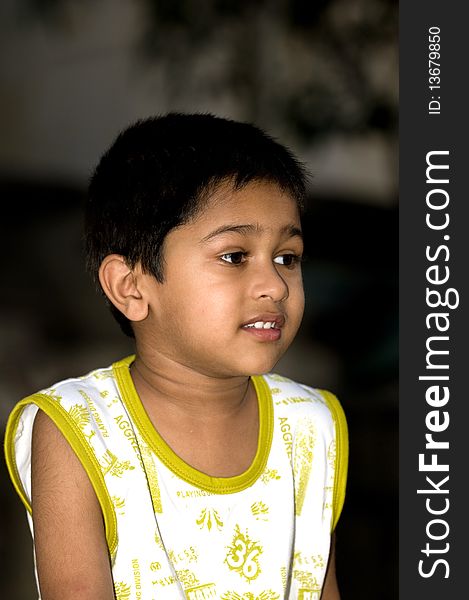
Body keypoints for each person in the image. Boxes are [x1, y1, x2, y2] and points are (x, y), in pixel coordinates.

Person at [4, 112, 348, 600]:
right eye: (234, 256)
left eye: (286, 258)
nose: (274, 285)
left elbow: (320, 585)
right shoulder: (76, 430)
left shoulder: (312, 425)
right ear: (131, 287)